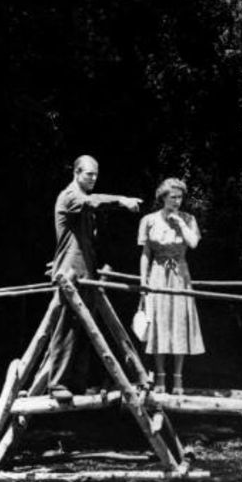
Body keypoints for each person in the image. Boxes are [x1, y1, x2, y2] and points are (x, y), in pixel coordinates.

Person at [38, 155, 142, 398]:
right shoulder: (70, 195)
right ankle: (57, 384)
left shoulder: (82, 198)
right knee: (66, 327)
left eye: (96, 174)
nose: (93, 178)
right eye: (89, 174)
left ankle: (76, 382)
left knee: (85, 326)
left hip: (86, 270)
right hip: (71, 272)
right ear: (76, 173)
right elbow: (94, 202)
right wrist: (122, 201)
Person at [138, 177, 205, 394]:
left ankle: (177, 380)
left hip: (180, 274)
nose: (177, 201)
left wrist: (181, 223)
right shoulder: (149, 220)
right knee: (158, 323)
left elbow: (194, 244)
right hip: (158, 273)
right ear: (163, 198)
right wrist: (143, 281)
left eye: (180, 197)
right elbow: (146, 254)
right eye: (173, 197)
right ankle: (159, 378)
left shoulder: (188, 218)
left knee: (179, 323)